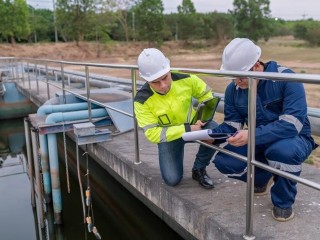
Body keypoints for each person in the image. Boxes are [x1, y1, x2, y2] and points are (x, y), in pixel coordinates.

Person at [211, 38, 318, 221]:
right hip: (258, 139)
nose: (237, 82)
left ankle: (283, 202)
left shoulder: (286, 79)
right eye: (232, 77)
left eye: (241, 76)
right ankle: (262, 177)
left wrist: (252, 135)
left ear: (256, 65)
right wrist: (212, 137)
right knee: (225, 161)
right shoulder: (233, 90)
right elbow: (232, 125)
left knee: (282, 152)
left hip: (294, 139)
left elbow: (292, 125)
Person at [134, 48, 219, 189]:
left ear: (169, 70)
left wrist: (203, 118)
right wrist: (187, 129)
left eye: (165, 78)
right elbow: (152, 133)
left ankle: (199, 169)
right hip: (169, 137)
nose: (163, 86)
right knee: (172, 180)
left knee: (215, 131)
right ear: (146, 80)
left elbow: (208, 96)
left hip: (194, 126)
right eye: (156, 82)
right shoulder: (141, 101)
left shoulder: (187, 79)